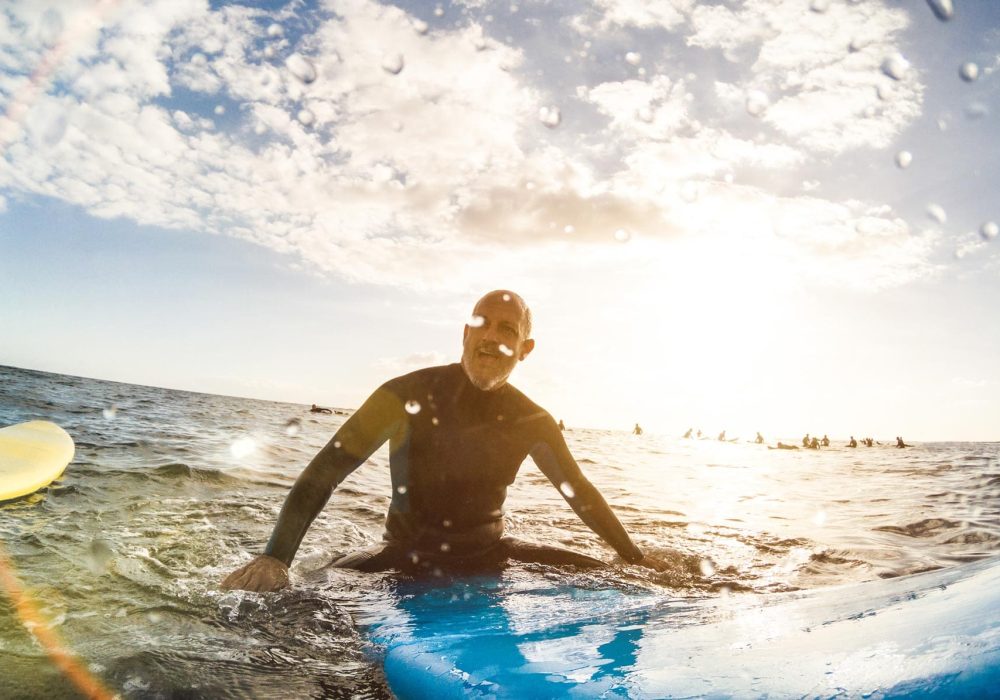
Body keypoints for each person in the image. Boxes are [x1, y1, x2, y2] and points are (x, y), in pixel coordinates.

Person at [222, 290, 658, 593]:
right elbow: (323, 474)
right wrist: (275, 559)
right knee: (289, 600)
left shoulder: (533, 420)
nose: (491, 336)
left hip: (491, 553)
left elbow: (579, 492)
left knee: (632, 581)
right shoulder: (404, 395)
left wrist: (633, 557)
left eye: (506, 329)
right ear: (465, 333)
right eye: (481, 324)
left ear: (525, 348)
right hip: (402, 554)